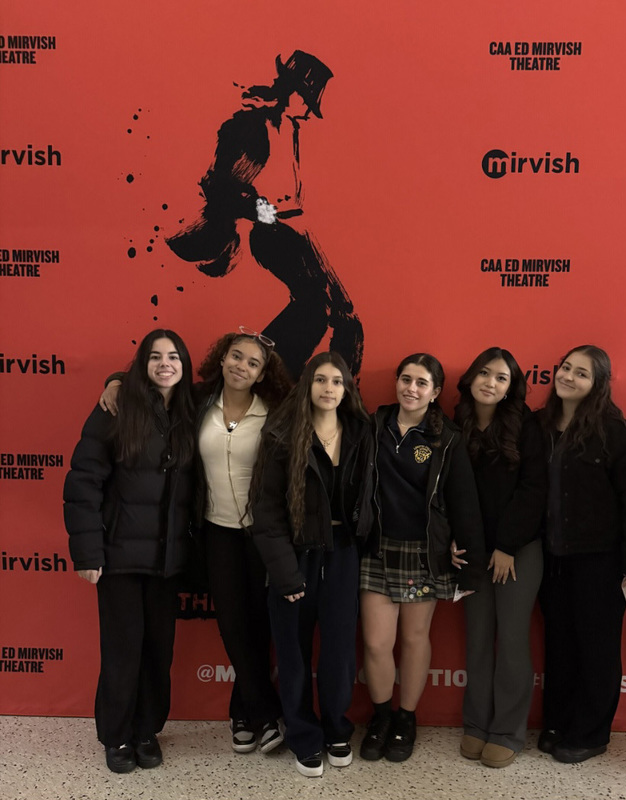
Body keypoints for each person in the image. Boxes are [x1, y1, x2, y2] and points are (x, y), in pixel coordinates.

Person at [99, 326, 292, 756]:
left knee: (260, 625)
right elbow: (155, 381)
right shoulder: (198, 400)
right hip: (215, 532)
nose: (242, 366)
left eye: (253, 363)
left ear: (262, 374)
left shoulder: (277, 410)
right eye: (236, 357)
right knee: (232, 624)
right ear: (221, 359)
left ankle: (245, 714)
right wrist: (114, 380)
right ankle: (263, 714)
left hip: (264, 535)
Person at [166, 50, 363, 379]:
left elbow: (293, 199)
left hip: (286, 228)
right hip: (261, 230)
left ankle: (335, 389)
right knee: (318, 307)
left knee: (343, 312)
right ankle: (266, 374)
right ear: (294, 93)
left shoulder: (289, 128)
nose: (312, 113)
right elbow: (218, 182)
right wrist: (258, 208)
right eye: (309, 102)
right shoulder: (252, 123)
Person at [64, 330, 196, 773]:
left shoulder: (190, 410)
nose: (165, 363)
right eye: (155, 356)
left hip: (167, 561)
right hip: (119, 557)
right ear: (142, 364)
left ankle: (146, 731)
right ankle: (117, 736)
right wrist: (87, 552)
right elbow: (83, 481)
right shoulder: (115, 408)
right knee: (123, 650)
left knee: (159, 651)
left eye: (173, 356)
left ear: (185, 365)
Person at [250, 351, 373, 777]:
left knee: (339, 653)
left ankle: (337, 729)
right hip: (294, 554)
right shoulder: (281, 434)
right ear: (308, 385)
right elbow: (264, 512)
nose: (328, 388)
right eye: (320, 379)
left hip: (341, 555)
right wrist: (285, 572)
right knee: (294, 655)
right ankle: (303, 735)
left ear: (347, 389)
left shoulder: (361, 432)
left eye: (337, 381)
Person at [359, 353, 485, 763]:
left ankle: (406, 719)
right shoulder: (372, 425)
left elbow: (463, 502)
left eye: (422, 383)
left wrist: (468, 559)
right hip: (376, 550)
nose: (411, 388)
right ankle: (380, 718)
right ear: (396, 382)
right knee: (378, 643)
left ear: (434, 393)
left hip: (422, 554)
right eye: (406, 379)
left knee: (414, 640)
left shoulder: (446, 438)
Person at [536, 345, 626, 763]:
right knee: (561, 644)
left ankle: (589, 733)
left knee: (597, 648)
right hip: (552, 559)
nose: (568, 376)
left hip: (600, 560)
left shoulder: (616, 432)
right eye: (565, 367)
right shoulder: (541, 425)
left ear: (598, 384)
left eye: (581, 373)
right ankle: (559, 722)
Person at [451, 348, 547, 768]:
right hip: (470, 551)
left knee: (510, 639)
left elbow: (534, 490)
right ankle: (476, 724)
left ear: (512, 387)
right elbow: (445, 490)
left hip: (517, 551)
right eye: (484, 373)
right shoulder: (455, 423)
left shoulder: (527, 425)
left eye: (502, 378)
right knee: (477, 639)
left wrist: (507, 545)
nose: (491, 382)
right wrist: (451, 542)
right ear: (471, 378)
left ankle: (508, 730)